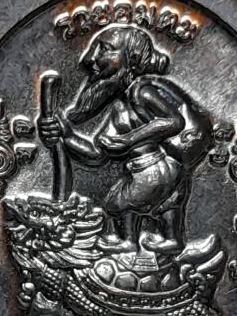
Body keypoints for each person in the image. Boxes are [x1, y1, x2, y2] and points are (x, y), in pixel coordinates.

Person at [39, 24, 213, 254]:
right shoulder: (121, 109)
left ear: (132, 58)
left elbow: (174, 121)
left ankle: (128, 242)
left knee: (117, 203)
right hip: (165, 170)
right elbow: (97, 154)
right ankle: (172, 240)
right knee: (167, 203)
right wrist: (67, 135)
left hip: (157, 166)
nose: (90, 59)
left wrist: (129, 140)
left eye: (105, 49)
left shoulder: (142, 90)